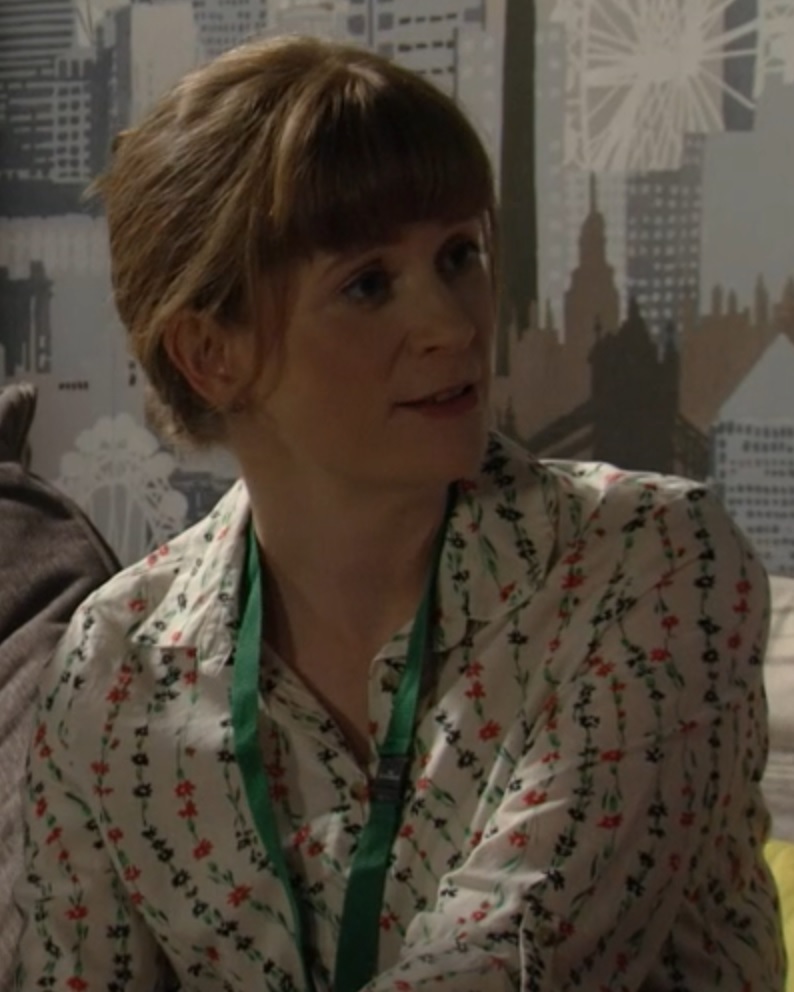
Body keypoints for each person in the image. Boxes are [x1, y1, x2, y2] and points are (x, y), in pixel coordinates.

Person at [13, 34, 785, 992]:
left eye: (460, 255)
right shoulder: (114, 665)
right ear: (210, 354)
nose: (455, 325)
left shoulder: (651, 563)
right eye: (369, 284)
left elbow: (510, 964)